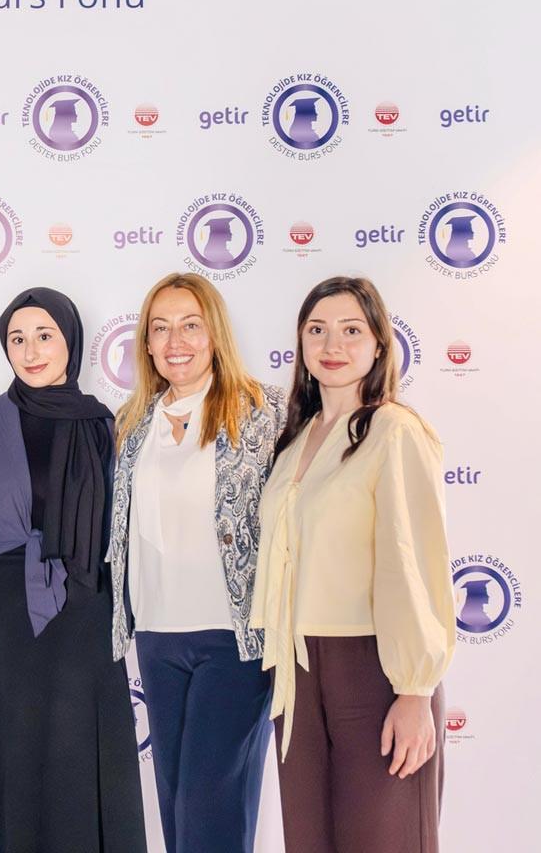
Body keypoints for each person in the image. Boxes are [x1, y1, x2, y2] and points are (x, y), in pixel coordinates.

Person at [0, 287, 147, 853]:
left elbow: (123, 534)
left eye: (44, 336)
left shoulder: (105, 426)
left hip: (83, 617)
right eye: (17, 339)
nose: (30, 351)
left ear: (70, 341)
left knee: (74, 765)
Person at [250, 276, 455, 853]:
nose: (332, 345)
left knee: (383, 839)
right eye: (317, 330)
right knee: (308, 841)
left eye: (351, 330)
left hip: (373, 667)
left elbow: (413, 563)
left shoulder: (394, 431)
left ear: (378, 344)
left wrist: (415, 690)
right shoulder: (295, 440)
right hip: (295, 670)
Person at [107, 272, 286, 853]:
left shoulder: (263, 410)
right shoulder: (131, 423)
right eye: (160, 328)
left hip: (234, 639)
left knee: (210, 809)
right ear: (146, 343)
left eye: (190, 325)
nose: (175, 341)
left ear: (215, 334)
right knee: (177, 808)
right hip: (158, 637)